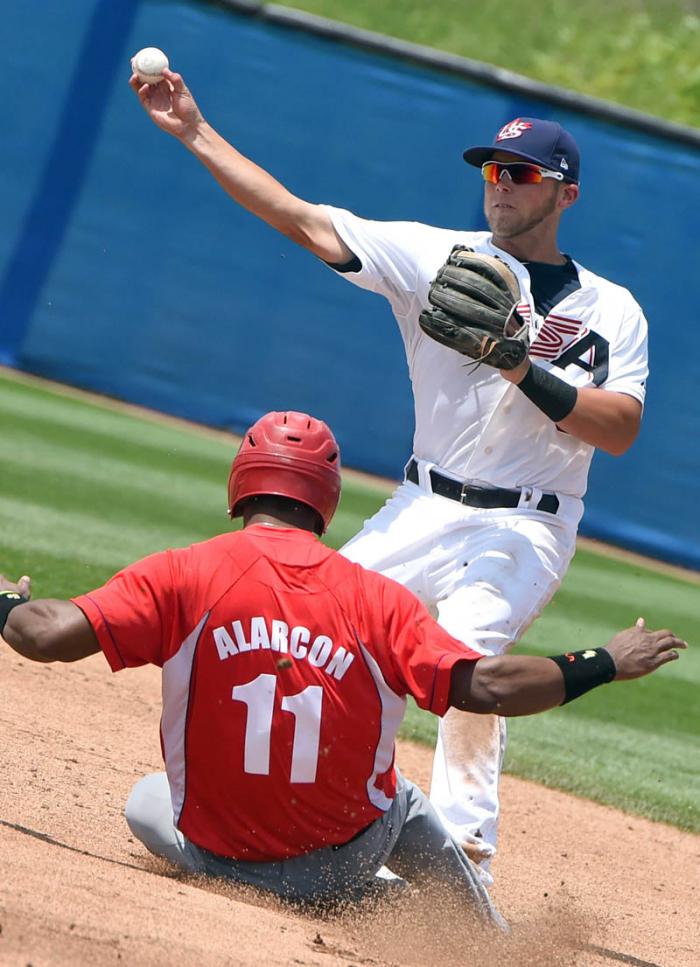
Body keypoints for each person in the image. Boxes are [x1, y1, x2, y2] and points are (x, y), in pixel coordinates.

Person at [129, 69, 649, 881]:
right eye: (491, 171)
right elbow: (300, 218)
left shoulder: (611, 308)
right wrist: (194, 131)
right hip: (423, 502)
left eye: (522, 175)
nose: (501, 187)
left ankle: (466, 852)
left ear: (566, 193)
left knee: (468, 650)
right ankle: (297, 809)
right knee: (312, 626)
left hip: (528, 522)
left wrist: (518, 363)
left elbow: (617, 427)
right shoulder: (437, 256)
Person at [0, 410, 682, 919]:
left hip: (216, 854)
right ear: (325, 499)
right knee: (404, 796)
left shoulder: (186, 572)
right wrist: (604, 660)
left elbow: (43, 633)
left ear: (242, 483)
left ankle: (327, 893)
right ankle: (480, 936)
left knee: (144, 799)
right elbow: (489, 685)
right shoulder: (375, 598)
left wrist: (6, 604)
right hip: (341, 863)